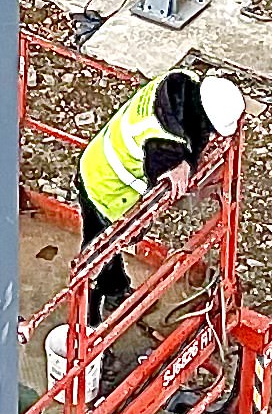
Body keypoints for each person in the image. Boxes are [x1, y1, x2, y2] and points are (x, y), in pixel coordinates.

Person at [76, 70, 246, 323]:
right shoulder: (162, 143)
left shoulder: (181, 83)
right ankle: (87, 328)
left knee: (105, 249)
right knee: (97, 257)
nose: (212, 138)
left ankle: (115, 291)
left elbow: (187, 132)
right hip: (106, 188)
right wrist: (181, 167)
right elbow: (166, 179)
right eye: (211, 131)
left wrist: (187, 157)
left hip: (97, 161)